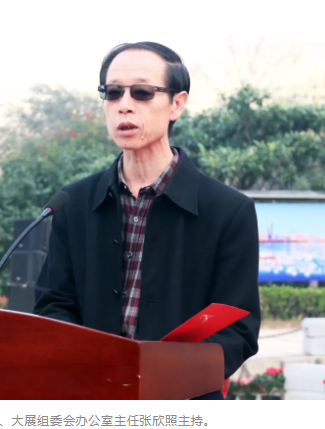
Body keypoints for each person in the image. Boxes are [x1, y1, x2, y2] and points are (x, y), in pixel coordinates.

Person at [33, 42, 261, 400]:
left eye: (141, 92)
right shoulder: (72, 203)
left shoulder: (229, 210)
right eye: (112, 92)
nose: (124, 104)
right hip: (91, 398)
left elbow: (238, 329)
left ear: (177, 104)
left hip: (182, 402)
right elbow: (53, 305)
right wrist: (89, 367)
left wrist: (165, 376)